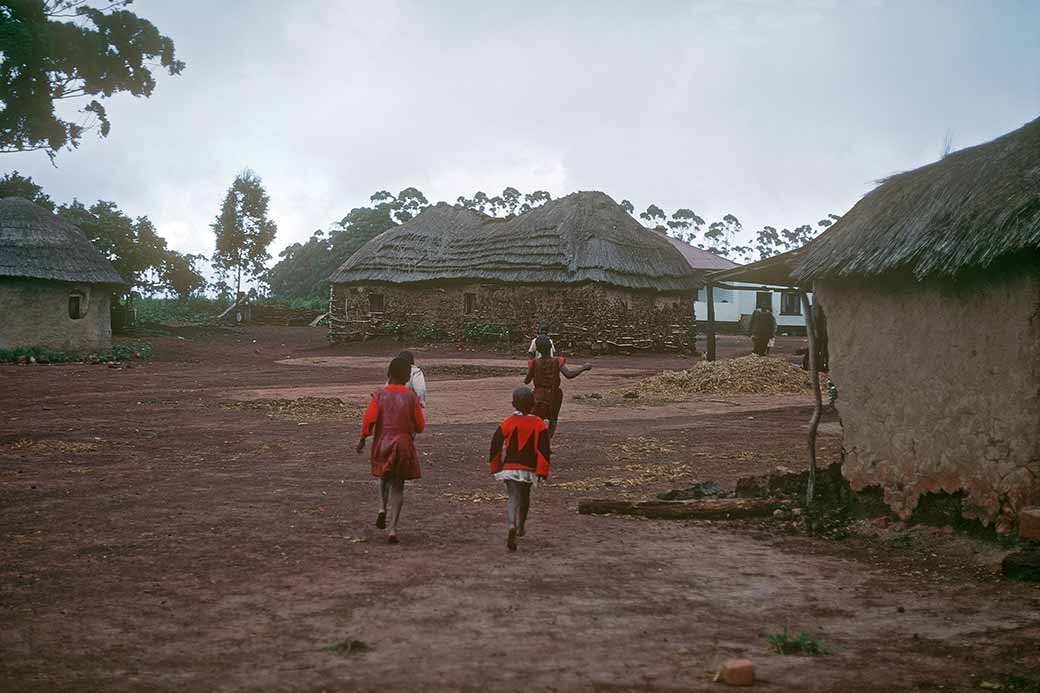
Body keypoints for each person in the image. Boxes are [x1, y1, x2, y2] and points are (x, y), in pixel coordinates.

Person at [357, 356, 426, 544]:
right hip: (403, 443)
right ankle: (393, 529)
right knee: (398, 486)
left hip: (383, 442)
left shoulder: (379, 394)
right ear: (407, 377)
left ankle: (381, 507)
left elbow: (369, 419)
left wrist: (363, 438)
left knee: (383, 476)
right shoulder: (411, 397)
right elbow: (420, 425)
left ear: (388, 374)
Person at [489, 386, 551, 551]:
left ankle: (511, 525)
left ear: (513, 404)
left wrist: (495, 466)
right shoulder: (539, 424)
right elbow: (544, 449)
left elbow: (495, 444)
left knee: (513, 498)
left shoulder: (507, 422)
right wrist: (542, 470)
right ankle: (521, 526)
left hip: (510, 467)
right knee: (525, 497)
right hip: (528, 469)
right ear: (533, 404)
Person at [524, 335, 591, 439]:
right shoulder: (557, 361)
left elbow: (526, 381)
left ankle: (533, 442)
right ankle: (546, 443)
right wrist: (583, 367)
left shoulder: (534, 363)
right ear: (551, 346)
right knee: (553, 419)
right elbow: (569, 374)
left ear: (537, 348)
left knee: (535, 419)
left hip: (539, 394)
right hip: (554, 395)